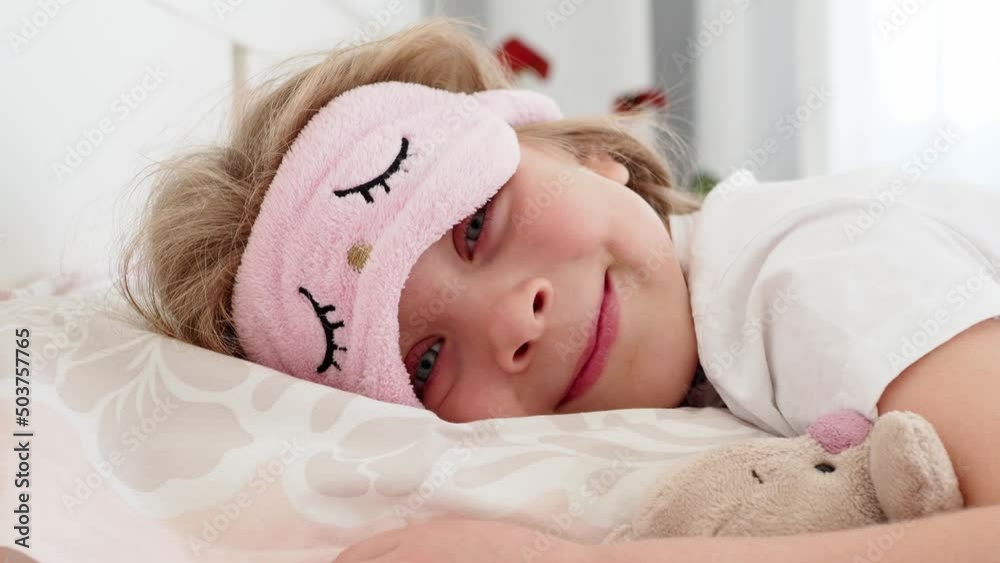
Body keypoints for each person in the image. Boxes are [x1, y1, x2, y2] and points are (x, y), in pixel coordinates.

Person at [118, 18, 1000, 563]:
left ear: (591, 154)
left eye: (475, 225)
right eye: (426, 361)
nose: (511, 317)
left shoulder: (800, 266)